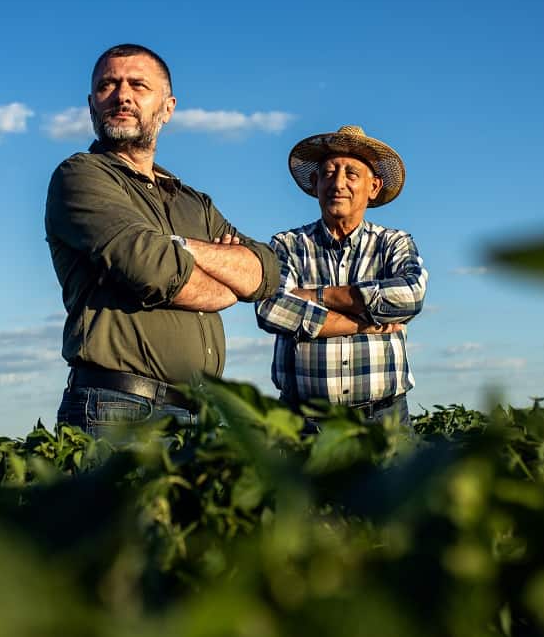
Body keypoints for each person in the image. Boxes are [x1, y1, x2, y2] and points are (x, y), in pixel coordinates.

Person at [46, 44, 280, 439]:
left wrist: (182, 246)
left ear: (167, 107)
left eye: (138, 85)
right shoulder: (81, 177)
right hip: (118, 410)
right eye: (108, 85)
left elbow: (267, 270)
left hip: (200, 414)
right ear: (91, 104)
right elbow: (151, 269)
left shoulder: (192, 202)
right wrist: (226, 281)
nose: (122, 95)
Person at [255, 126, 427, 427]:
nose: (338, 183)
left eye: (351, 174)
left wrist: (319, 296)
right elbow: (270, 308)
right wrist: (365, 323)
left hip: (383, 418)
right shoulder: (288, 245)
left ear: (373, 187)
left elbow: (410, 296)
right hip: (306, 422)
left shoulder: (393, 243)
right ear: (315, 183)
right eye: (329, 173)